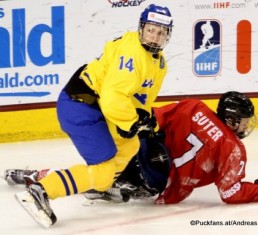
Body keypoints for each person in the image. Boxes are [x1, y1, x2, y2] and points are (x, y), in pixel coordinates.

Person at [10, 4, 173, 228]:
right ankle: (41, 190)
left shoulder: (158, 61)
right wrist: (133, 121)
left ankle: (102, 184)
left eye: (161, 32)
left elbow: (134, 97)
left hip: (95, 107)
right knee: (104, 169)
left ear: (168, 34)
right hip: (80, 106)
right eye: (151, 30)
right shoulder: (133, 54)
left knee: (130, 144)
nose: (155, 37)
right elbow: (112, 99)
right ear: (141, 28)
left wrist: (144, 116)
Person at [6, 92, 258, 206]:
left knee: (97, 175)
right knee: (103, 182)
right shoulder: (234, 149)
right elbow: (231, 193)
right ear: (231, 119)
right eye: (244, 122)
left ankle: (35, 176)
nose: (246, 127)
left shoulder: (194, 106)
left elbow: (152, 120)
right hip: (159, 182)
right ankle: (120, 187)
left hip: (141, 154)